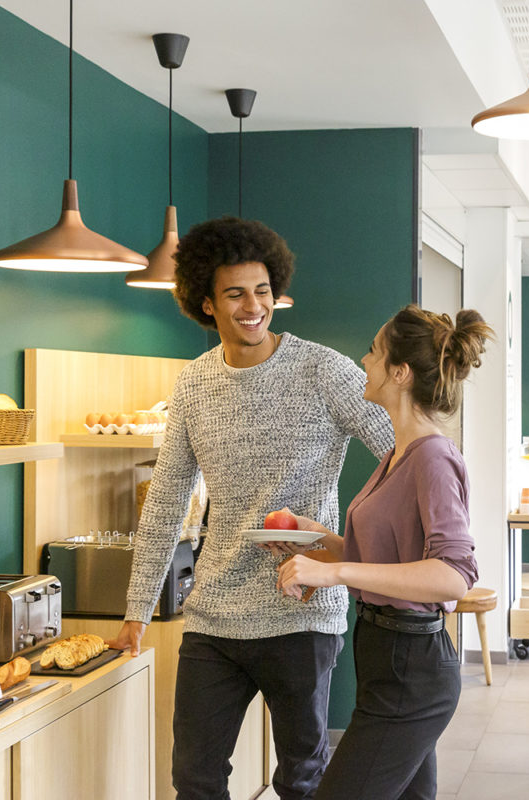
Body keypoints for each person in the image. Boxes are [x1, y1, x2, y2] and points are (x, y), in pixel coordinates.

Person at [108, 216, 394, 800]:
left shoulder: (323, 370)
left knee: (302, 779)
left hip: (302, 610)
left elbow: (404, 451)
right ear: (206, 304)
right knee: (195, 778)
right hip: (214, 614)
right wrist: (137, 609)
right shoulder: (193, 384)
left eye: (262, 291)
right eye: (235, 293)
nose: (253, 306)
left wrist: (362, 551)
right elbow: (165, 501)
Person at [275, 305, 492, 800]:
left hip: (412, 668)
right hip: (385, 657)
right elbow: (389, 560)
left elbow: (454, 574)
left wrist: (336, 573)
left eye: (374, 351)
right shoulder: (399, 452)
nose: (364, 360)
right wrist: (321, 543)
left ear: (399, 371)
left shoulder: (433, 457)